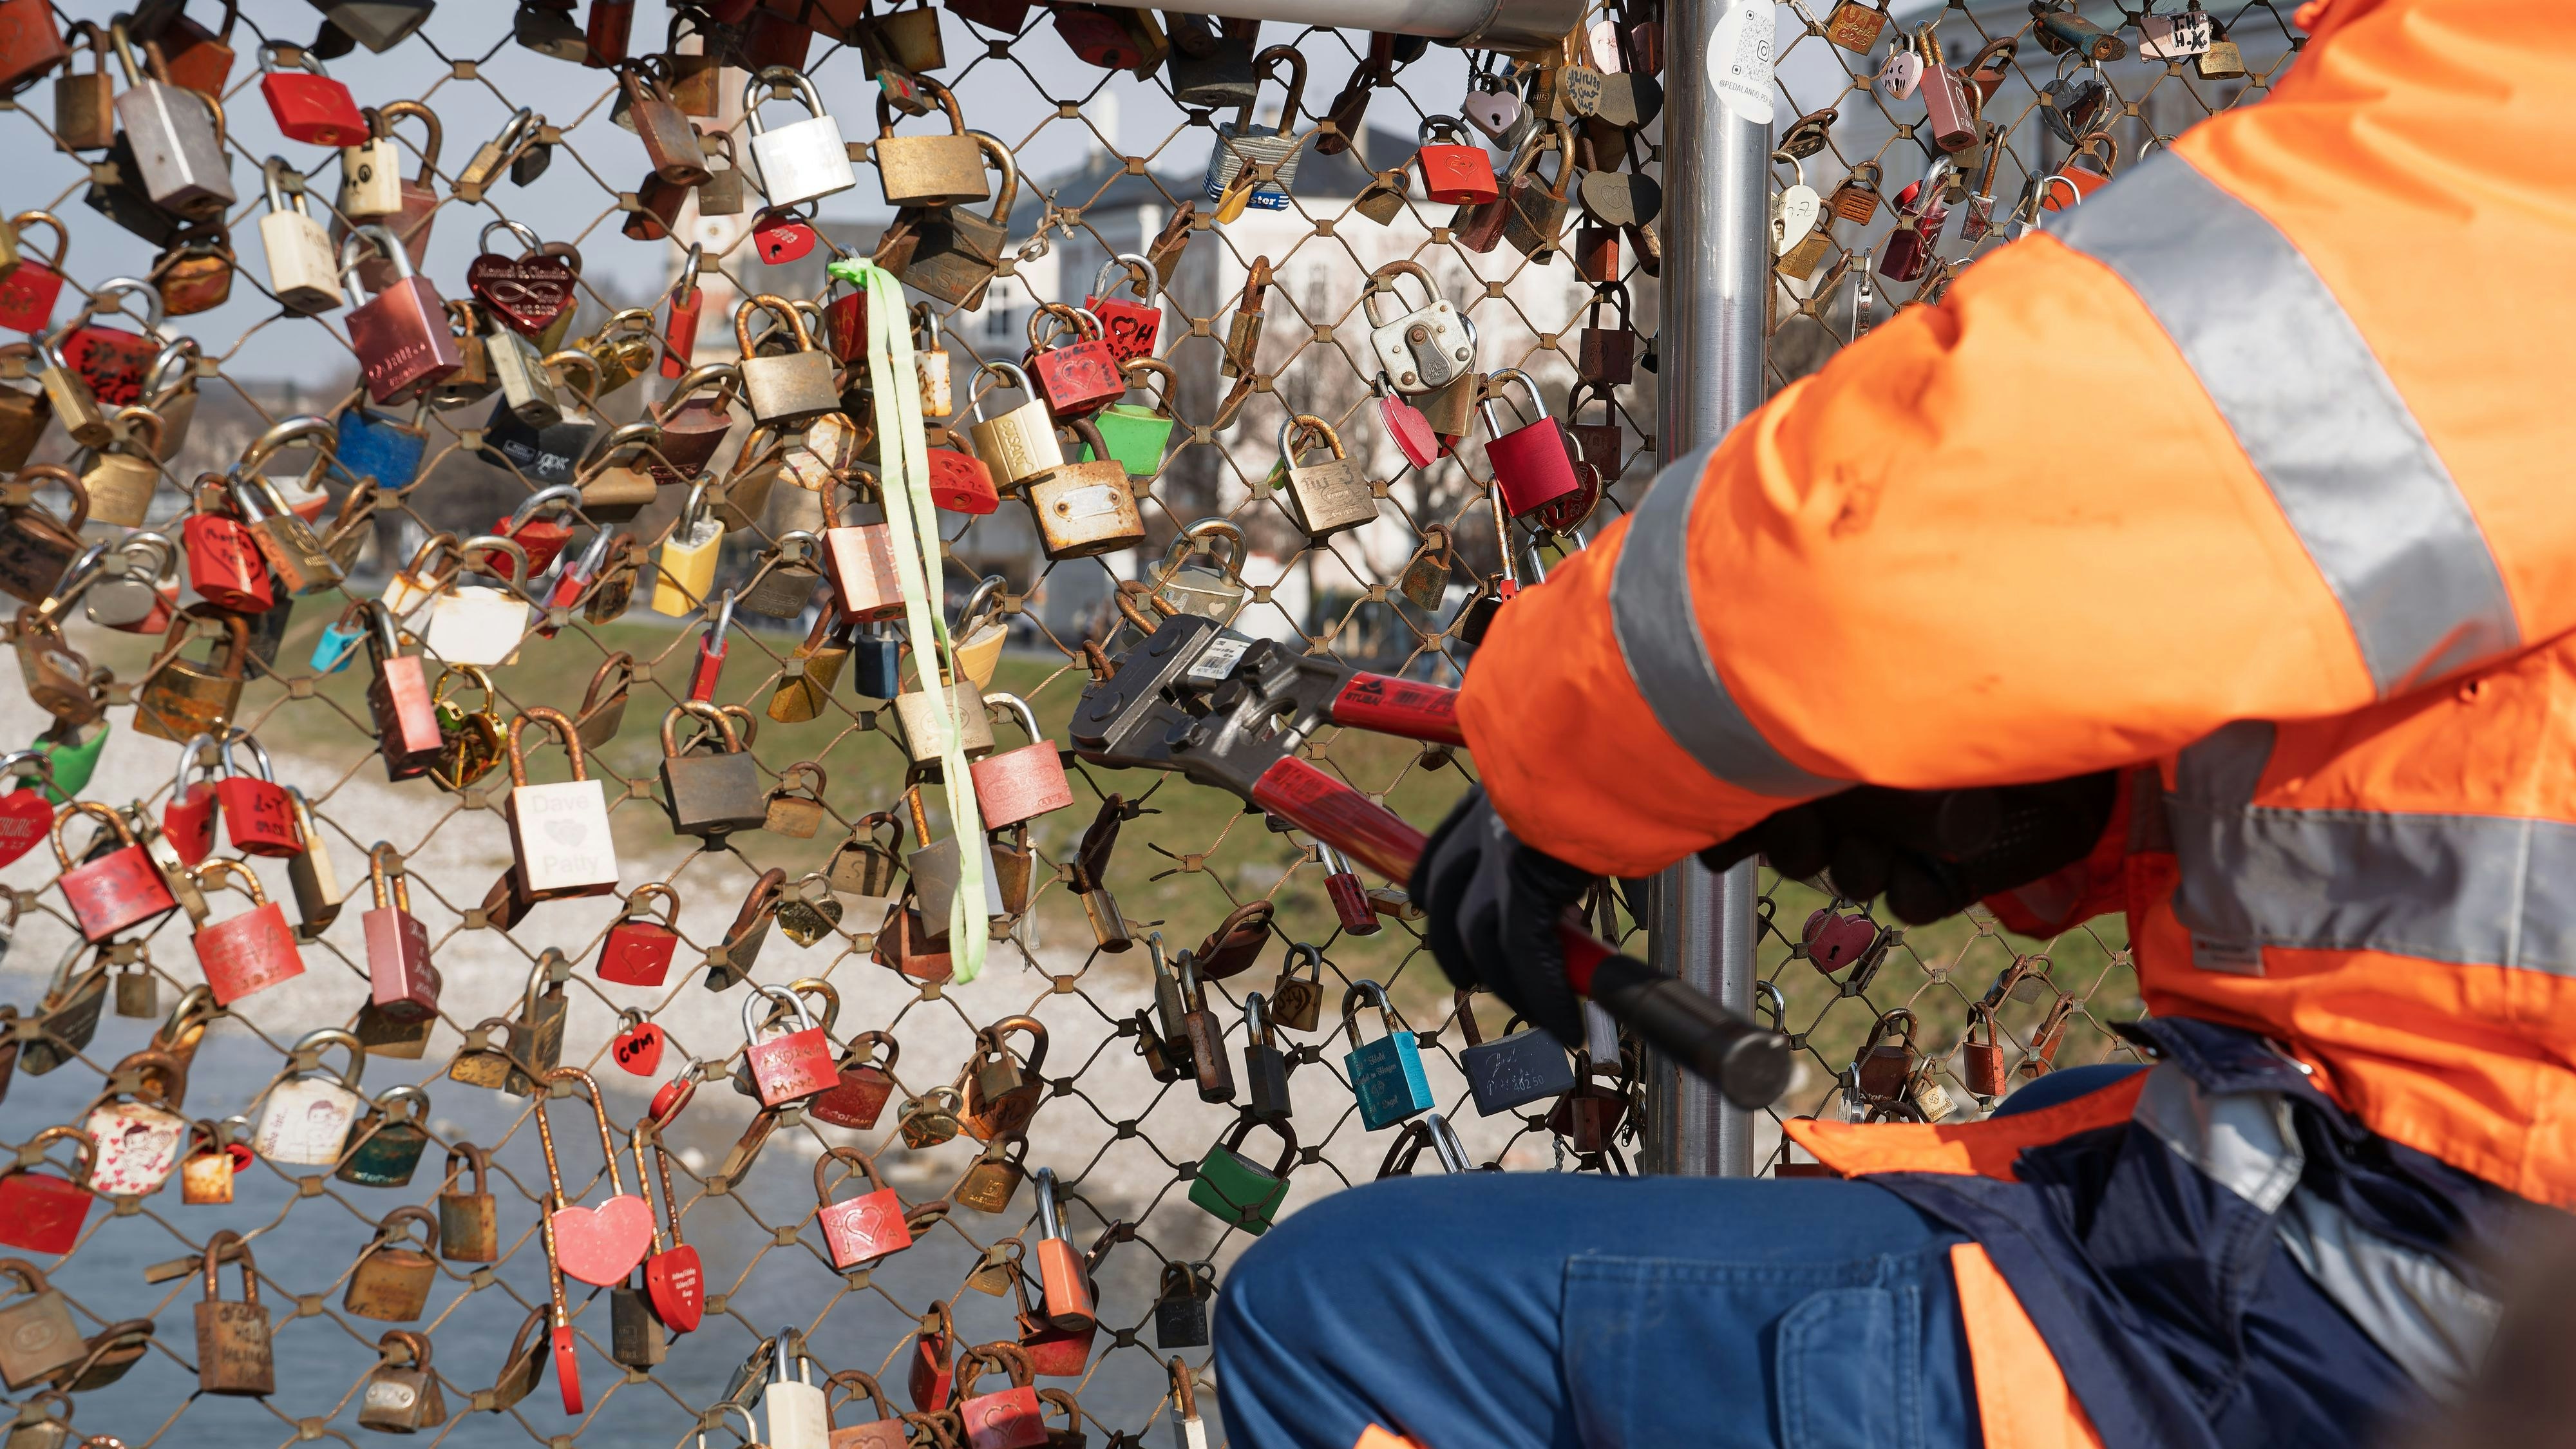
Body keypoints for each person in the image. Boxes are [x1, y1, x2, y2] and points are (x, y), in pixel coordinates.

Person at [1210, 1, 2574, 1446]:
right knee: (2065, 1111)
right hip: (2466, 1204)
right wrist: (2083, 799)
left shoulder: (2513, 95)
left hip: (2421, 1303)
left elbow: (1934, 518)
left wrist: (1553, 760)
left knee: (1345, 1321)